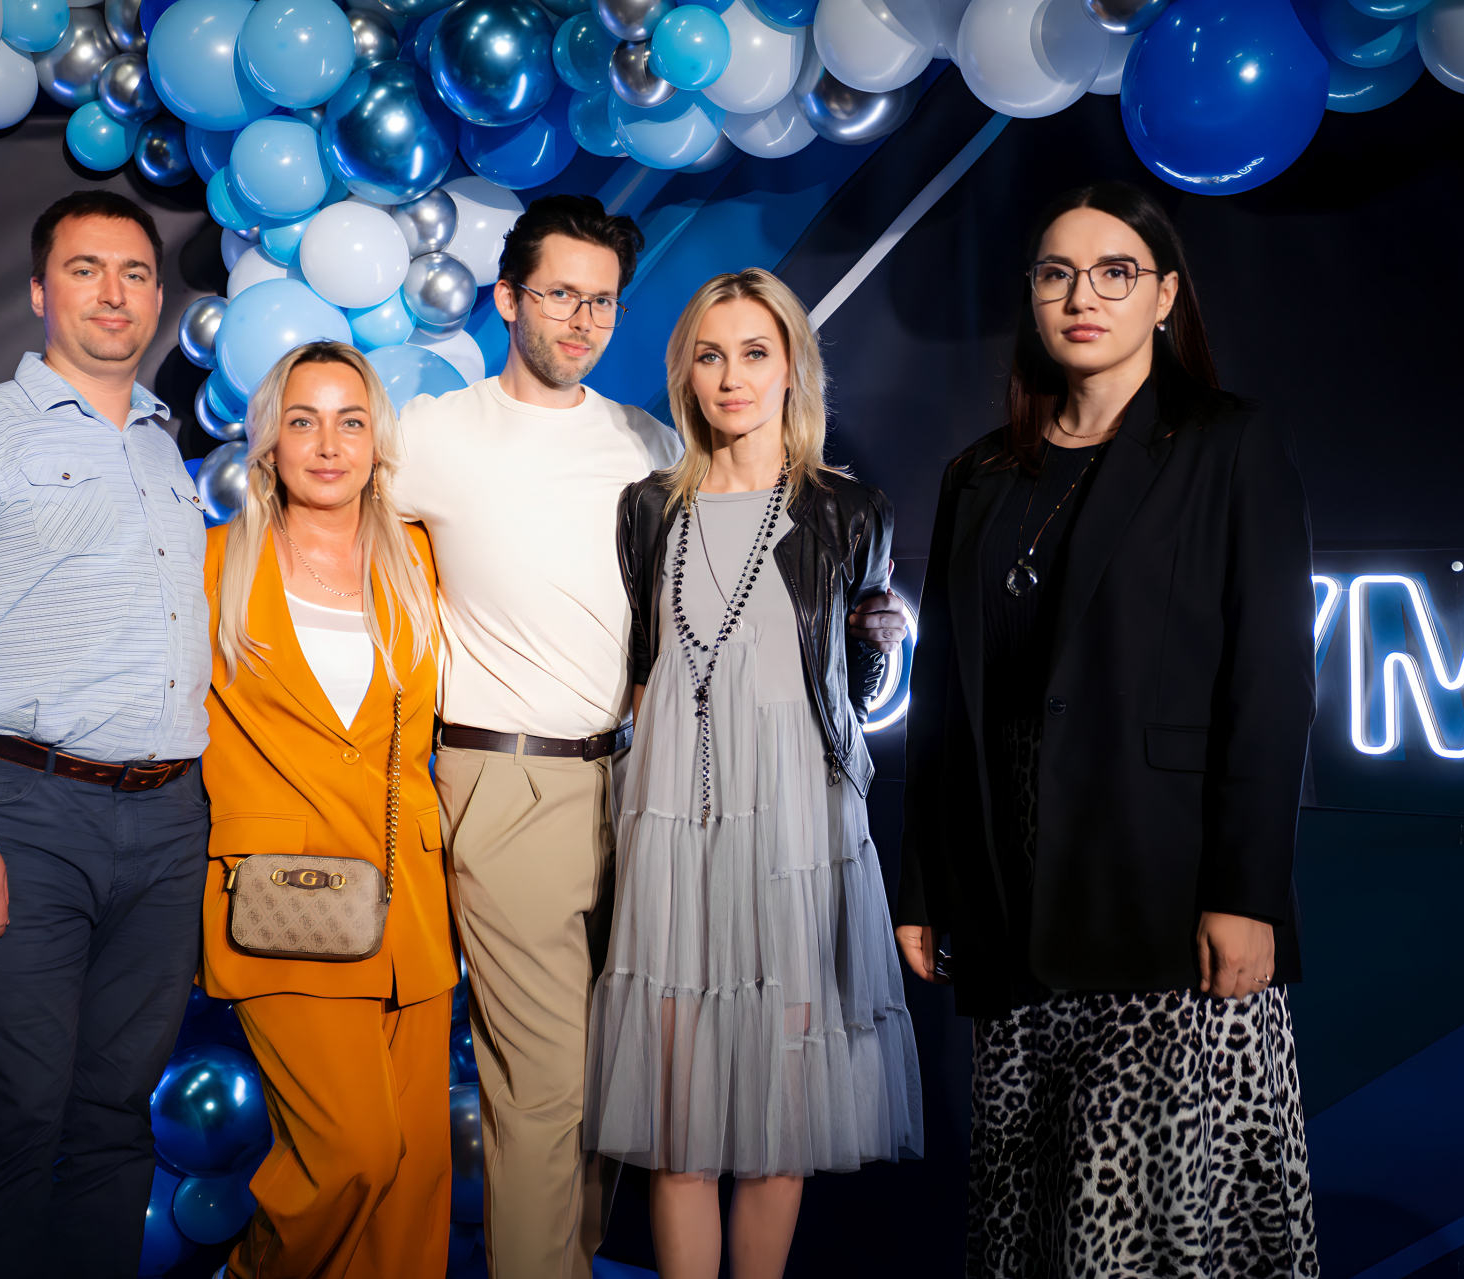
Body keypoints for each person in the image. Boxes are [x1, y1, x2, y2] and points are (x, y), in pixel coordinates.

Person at [895, 181, 1320, 1276]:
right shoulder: (980, 475)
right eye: (1057, 273)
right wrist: (925, 885)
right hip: (1012, 901)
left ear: (1165, 295)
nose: (1083, 296)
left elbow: (1271, 682)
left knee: (1150, 1237)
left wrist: (1248, 893)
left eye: (1115, 272)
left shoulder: (1228, 444)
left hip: (1162, 902)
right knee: (1031, 1229)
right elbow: (941, 699)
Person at [0, 190, 209, 1279]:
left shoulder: (161, 450)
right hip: (25, 815)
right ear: (37, 292)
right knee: (17, 1118)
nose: (114, 293)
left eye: (136, 272)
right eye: (84, 269)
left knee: (115, 1113)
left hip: (168, 821)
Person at [592, 268, 923, 1279]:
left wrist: (878, 645)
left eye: (754, 353)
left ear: (791, 369)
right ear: (686, 375)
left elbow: (853, 690)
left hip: (795, 833)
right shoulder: (648, 508)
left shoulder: (849, 509)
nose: (732, 377)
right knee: (678, 1119)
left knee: (784, 1113)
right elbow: (643, 672)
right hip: (673, 827)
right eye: (710, 355)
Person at [391, 193, 680, 1279]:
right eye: (560, 294)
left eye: (602, 301)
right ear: (508, 298)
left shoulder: (645, 442)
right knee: (544, 1080)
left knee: (607, 1083)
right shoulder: (434, 434)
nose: (582, 320)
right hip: (503, 777)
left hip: (630, 781)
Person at [197, 341, 454, 1279]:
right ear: (268, 441)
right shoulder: (213, 565)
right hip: (283, 900)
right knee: (352, 1152)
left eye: (351, 421)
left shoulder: (420, 560)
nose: (328, 443)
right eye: (302, 421)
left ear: (377, 441)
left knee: (413, 1178)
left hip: (409, 900)